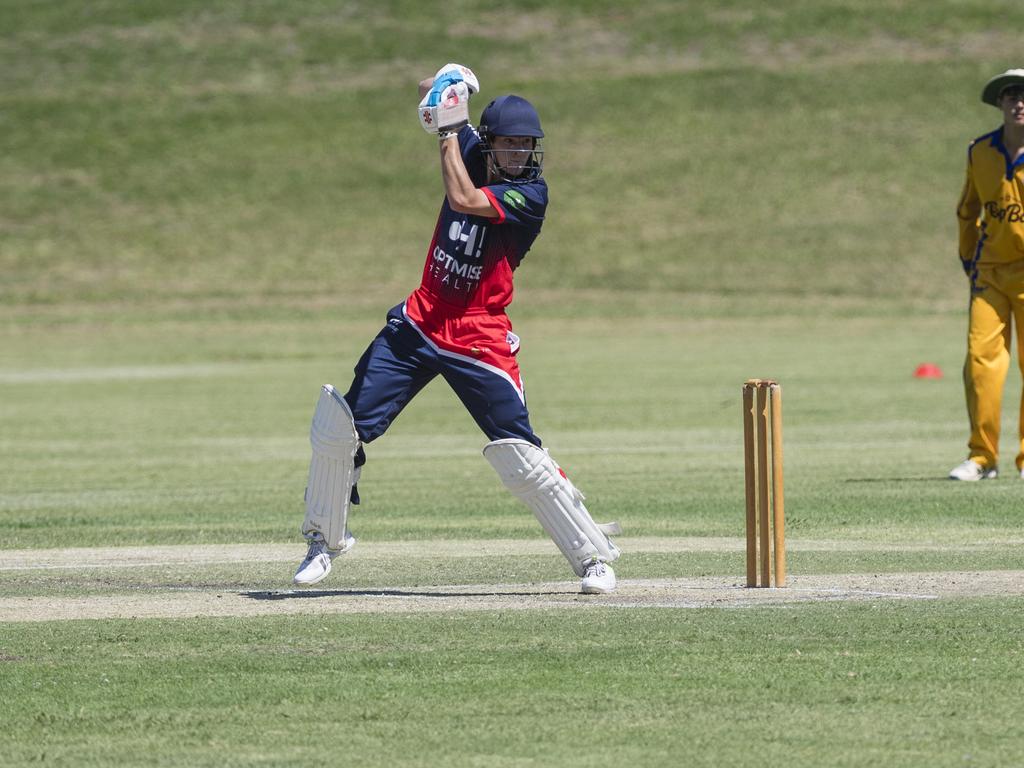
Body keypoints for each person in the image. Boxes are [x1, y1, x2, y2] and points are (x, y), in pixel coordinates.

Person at [292, 64, 621, 591]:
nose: (518, 155)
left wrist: (447, 131)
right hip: (423, 318)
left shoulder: (530, 195)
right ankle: (322, 542)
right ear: (489, 142)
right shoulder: (470, 145)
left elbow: (465, 199)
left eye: (526, 146)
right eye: (509, 144)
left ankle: (593, 558)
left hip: (479, 333)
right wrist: (451, 80)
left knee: (520, 452)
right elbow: (430, 94)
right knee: (340, 428)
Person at [950, 68, 1024, 481]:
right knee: (981, 364)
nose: (1019, 102)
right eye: (1011, 94)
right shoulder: (980, 152)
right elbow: (968, 209)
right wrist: (969, 260)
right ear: (1000, 103)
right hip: (990, 274)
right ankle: (982, 457)